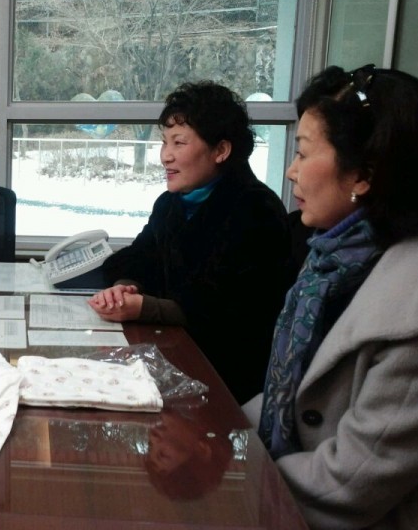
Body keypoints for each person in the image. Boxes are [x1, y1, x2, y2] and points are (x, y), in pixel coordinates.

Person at [244, 65, 418, 529]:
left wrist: (232, 471)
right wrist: (215, 429)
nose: (291, 171)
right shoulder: (335, 258)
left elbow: (350, 483)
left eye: (303, 152)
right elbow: (289, 395)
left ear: (364, 174)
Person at [87, 81, 292, 404]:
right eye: (164, 142)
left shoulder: (256, 210)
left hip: (228, 381)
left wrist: (145, 307)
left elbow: (224, 308)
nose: (165, 156)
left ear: (221, 151)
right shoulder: (172, 203)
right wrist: (124, 287)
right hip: (173, 358)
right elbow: (140, 258)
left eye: (179, 143)